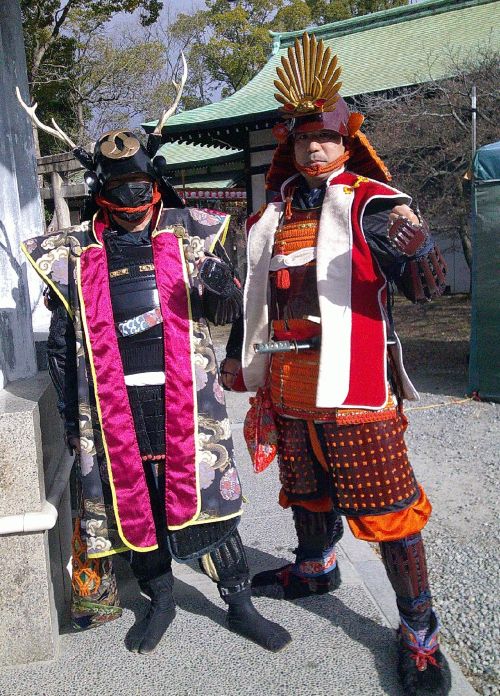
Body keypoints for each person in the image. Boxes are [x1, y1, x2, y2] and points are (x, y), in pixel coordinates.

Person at [20, 81, 291, 654]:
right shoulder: (71, 255)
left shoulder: (192, 234)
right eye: (119, 188)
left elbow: (224, 313)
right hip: (112, 404)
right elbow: (62, 343)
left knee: (209, 505)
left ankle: (240, 603)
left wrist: (224, 286)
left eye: (140, 186)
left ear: (155, 184)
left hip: (185, 397)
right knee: (134, 503)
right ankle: (161, 598)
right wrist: (69, 416)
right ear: (101, 192)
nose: (132, 198)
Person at [221, 33, 449, 694]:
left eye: (323, 137)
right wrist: (238, 357)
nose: (312, 149)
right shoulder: (270, 218)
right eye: (301, 140)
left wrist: (419, 249)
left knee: (389, 507)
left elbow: (424, 289)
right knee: (306, 487)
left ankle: (419, 629)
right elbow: (254, 295)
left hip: (353, 387)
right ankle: (315, 567)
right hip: (288, 381)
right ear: (289, 146)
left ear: (346, 141)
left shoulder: (372, 204)